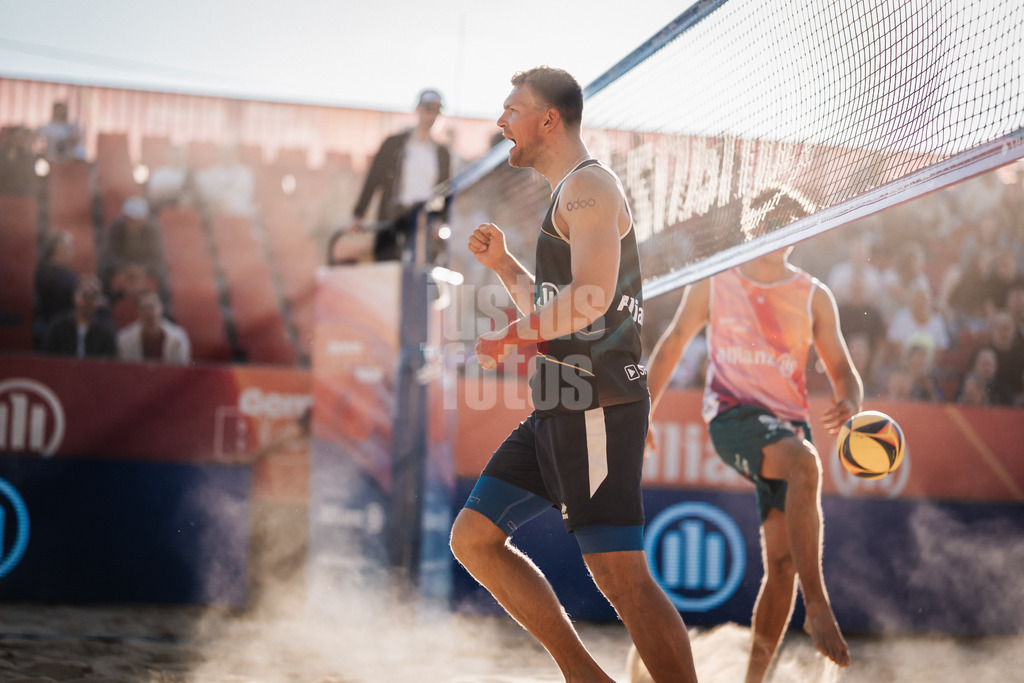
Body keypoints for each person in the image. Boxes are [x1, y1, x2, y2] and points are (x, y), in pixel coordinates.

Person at [448, 67, 698, 682]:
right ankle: (584, 675)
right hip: (560, 403)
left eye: (512, 110)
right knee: (473, 539)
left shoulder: (589, 189)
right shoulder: (569, 196)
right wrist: (507, 268)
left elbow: (590, 298)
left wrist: (512, 334)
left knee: (621, 576)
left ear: (548, 119)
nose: (502, 122)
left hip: (597, 404)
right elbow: (562, 307)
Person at [645, 188, 860, 682]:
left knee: (781, 566)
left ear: (798, 232)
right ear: (751, 226)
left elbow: (845, 373)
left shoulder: (813, 294)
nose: (777, 230)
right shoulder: (717, 281)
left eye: (788, 223)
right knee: (805, 462)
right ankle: (819, 607)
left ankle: (753, 681)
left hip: (787, 426)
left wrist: (852, 403)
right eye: (770, 222)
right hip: (733, 416)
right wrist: (644, 417)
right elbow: (673, 342)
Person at [346, 89, 452, 262]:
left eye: (436, 111)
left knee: (421, 277)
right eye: (428, 109)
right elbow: (373, 180)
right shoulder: (393, 144)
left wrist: (440, 220)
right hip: (393, 219)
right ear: (418, 109)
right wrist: (358, 214)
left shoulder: (442, 153)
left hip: (424, 225)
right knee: (388, 271)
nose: (431, 116)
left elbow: (446, 191)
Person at [99, 195, 168, 303]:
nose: (132, 223)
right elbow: (109, 253)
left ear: (144, 219)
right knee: (103, 270)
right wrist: (125, 267)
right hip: (122, 264)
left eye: (136, 220)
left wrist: (142, 268)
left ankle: (164, 310)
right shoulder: (116, 227)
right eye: (129, 219)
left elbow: (158, 256)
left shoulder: (153, 230)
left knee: (162, 275)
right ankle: (105, 306)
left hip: (145, 265)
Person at [41, 274, 116, 358]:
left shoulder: (105, 331)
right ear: (75, 295)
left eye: (94, 296)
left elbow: (110, 361)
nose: (89, 300)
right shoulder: (58, 326)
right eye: (85, 295)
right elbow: (48, 357)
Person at [116, 289, 191, 364]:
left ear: (161, 308)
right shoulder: (125, 339)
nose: (149, 312)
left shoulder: (178, 338)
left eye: (152, 307)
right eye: (144, 308)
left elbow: (180, 370)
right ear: (137, 311)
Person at [33, 229, 80, 347]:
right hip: (53, 331)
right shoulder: (46, 273)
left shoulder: (66, 274)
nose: (72, 253)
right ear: (58, 249)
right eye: (69, 247)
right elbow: (73, 291)